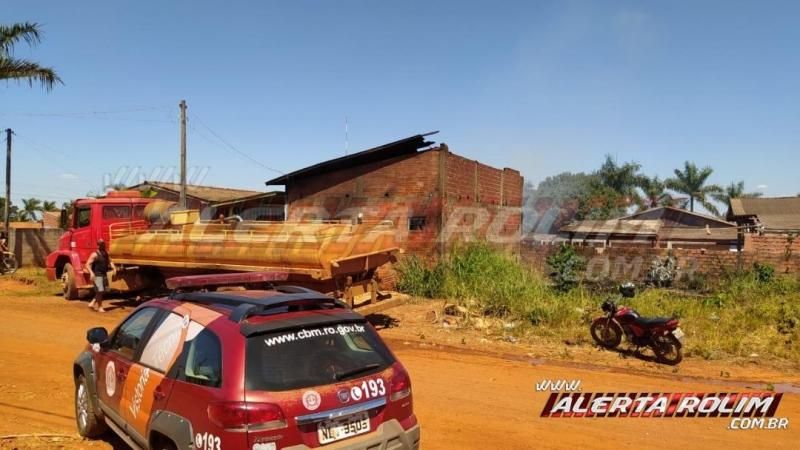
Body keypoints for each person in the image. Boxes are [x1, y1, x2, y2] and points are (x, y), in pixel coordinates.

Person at [85, 239, 115, 313]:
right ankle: (100, 307)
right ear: (98, 245)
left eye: (103, 244)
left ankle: (92, 303)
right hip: (97, 275)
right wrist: (91, 273)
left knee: (102, 291)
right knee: (100, 290)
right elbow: (87, 264)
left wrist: (114, 268)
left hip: (104, 274)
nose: (102, 245)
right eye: (100, 244)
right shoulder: (94, 254)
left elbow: (110, 261)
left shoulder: (106, 253)